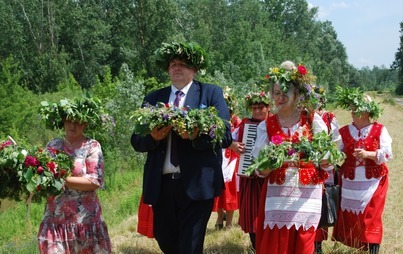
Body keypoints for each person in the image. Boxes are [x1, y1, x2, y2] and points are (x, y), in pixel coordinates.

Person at [131, 41, 232, 254]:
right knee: (165, 240)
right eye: (173, 64)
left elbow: (225, 135)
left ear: (194, 69)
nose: (177, 68)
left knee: (190, 246)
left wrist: (196, 136)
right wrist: (153, 137)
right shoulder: (153, 98)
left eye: (183, 64)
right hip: (162, 186)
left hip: (197, 184)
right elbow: (136, 141)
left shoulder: (210, 93)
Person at [252, 61, 331, 254]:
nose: (280, 97)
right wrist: (268, 165)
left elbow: (328, 158)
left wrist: (324, 159)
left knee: (303, 244)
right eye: (276, 93)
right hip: (277, 194)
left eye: (285, 92)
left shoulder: (312, 120)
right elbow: (259, 167)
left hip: (306, 195)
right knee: (275, 244)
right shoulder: (266, 125)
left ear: (296, 93)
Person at [37, 96, 112, 253]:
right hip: (55, 218)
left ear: (85, 124)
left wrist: (61, 179)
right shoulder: (53, 146)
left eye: (77, 121)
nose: (72, 125)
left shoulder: (91, 146)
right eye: (69, 120)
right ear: (63, 122)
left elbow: (95, 181)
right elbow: (42, 173)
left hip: (85, 220)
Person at [332, 87, 393, 254]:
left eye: (357, 108)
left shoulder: (379, 130)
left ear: (367, 111)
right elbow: (335, 152)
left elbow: (387, 153)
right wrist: (338, 153)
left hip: (373, 180)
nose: (353, 112)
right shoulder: (344, 131)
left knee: (372, 214)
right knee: (352, 214)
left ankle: (373, 249)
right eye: (352, 108)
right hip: (350, 180)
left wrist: (369, 154)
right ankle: (359, 245)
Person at [231, 91, 270, 251]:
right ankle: (255, 246)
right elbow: (231, 139)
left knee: (269, 213)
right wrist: (234, 145)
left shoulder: (274, 123)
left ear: (268, 108)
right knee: (251, 214)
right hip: (251, 177)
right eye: (254, 108)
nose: (258, 111)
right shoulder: (245, 124)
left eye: (261, 108)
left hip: (270, 178)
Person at [313, 86, 341, 254]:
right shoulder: (302, 117)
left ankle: (318, 245)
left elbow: (337, 142)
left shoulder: (329, 118)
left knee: (322, 204)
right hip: (307, 165)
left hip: (325, 167)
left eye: (318, 99)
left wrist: (328, 157)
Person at [212, 86, 241, 230]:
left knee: (229, 190)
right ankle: (218, 218)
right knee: (218, 189)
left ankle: (229, 222)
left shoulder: (237, 122)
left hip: (231, 160)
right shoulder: (215, 121)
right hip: (218, 155)